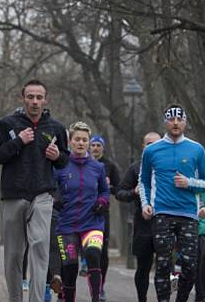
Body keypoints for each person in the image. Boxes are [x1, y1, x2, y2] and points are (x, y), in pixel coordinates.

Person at [0, 79, 69, 302]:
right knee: (13, 255)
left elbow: (64, 161)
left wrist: (57, 157)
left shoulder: (56, 128)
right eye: (30, 97)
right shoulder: (7, 125)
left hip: (42, 195)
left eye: (39, 97)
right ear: (22, 98)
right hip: (14, 196)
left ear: (46, 100)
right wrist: (18, 142)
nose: (35, 101)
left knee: (40, 250)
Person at [138, 104, 205, 302]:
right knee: (163, 264)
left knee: (189, 265)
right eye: (171, 119)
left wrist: (189, 183)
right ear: (165, 122)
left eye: (179, 119)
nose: (175, 123)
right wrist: (145, 204)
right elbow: (143, 181)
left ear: (185, 122)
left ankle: (180, 298)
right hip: (161, 213)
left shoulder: (196, 149)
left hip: (189, 215)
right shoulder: (151, 150)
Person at [54, 121, 110, 302]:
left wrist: (102, 201)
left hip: (92, 223)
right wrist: (55, 199)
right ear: (70, 141)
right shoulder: (60, 166)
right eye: (77, 139)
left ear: (88, 143)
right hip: (67, 225)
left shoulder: (97, 167)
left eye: (84, 140)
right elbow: (50, 187)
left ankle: (96, 298)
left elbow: (104, 190)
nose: (81, 143)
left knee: (94, 255)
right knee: (69, 267)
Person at [115, 132, 161, 302]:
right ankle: (142, 299)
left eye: (156, 143)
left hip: (167, 223)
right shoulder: (136, 168)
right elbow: (119, 192)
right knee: (143, 267)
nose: (152, 147)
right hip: (143, 224)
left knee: (165, 266)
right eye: (148, 143)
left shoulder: (170, 166)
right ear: (143, 146)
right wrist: (133, 192)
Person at [89, 135, 120, 301]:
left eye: (98, 145)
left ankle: (100, 287)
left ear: (103, 148)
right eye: (92, 145)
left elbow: (119, 188)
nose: (95, 148)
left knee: (102, 252)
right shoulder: (84, 162)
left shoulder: (110, 166)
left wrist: (110, 186)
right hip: (83, 212)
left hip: (102, 213)